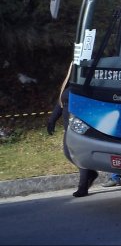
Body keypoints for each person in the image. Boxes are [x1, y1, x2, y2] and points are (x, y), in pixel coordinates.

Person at [47, 64, 99, 198]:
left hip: (80, 127)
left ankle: (83, 188)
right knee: (68, 153)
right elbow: (61, 103)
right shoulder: (69, 86)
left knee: (79, 156)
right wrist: (52, 120)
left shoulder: (87, 86)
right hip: (68, 128)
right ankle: (91, 173)